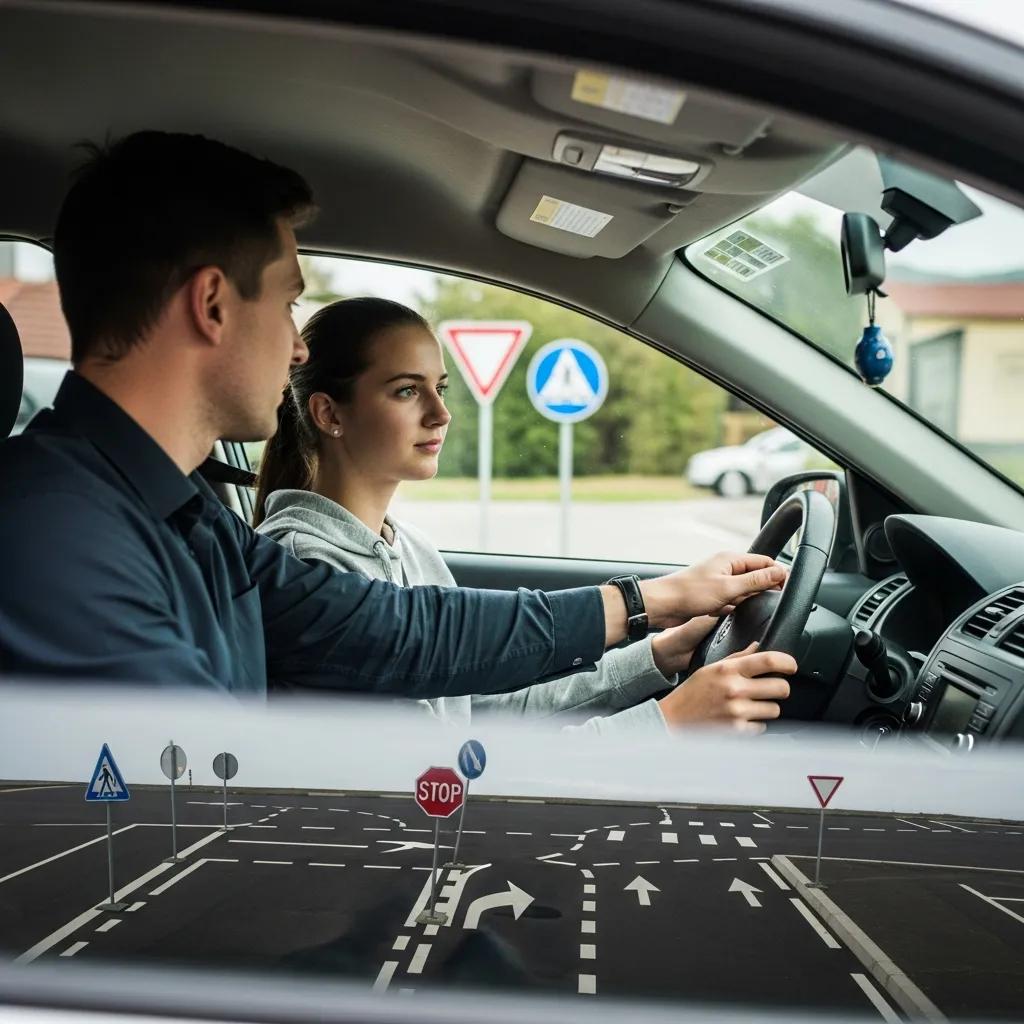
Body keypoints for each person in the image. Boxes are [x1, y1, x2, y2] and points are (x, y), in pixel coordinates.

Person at [0, 131, 795, 707]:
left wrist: (650, 605)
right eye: (287, 302)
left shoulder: (185, 509)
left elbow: (396, 631)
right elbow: (180, 824)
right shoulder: (54, 533)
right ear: (211, 305)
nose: (293, 345)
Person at [255, 298, 793, 733]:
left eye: (439, 389)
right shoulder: (306, 563)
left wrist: (655, 657)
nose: (441, 414)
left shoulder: (407, 547)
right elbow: (437, 785)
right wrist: (668, 723)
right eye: (405, 390)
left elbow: (471, 716)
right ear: (329, 413)